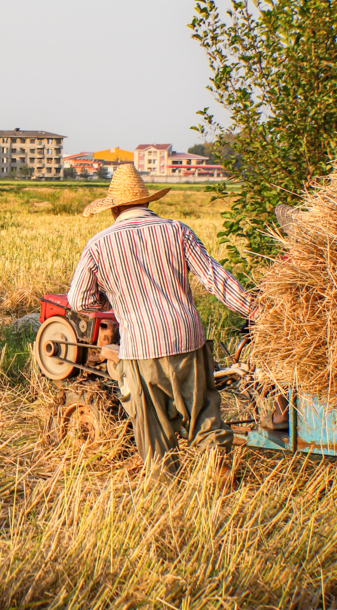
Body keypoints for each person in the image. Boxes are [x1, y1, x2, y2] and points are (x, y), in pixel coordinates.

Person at [68, 164, 254, 479]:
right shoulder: (177, 230)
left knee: (151, 428)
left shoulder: (98, 245)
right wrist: (255, 309)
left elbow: (78, 300)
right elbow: (215, 280)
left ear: (114, 209)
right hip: (187, 338)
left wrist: (112, 301)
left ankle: (165, 490)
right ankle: (219, 474)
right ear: (148, 202)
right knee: (203, 414)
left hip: (140, 346)